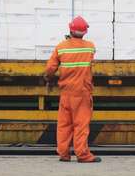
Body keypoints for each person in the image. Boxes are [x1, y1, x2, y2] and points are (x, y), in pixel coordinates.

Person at [44, 16, 102, 163]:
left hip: (66, 93)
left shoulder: (61, 47)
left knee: (64, 125)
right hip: (82, 92)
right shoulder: (89, 46)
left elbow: (50, 69)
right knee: (81, 125)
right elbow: (89, 55)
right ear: (85, 32)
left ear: (70, 29)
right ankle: (82, 155)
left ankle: (64, 154)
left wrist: (48, 78)